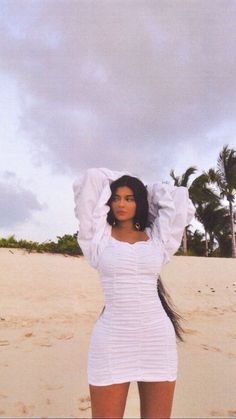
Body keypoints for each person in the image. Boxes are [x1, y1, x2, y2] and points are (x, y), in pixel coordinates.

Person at [73, 167, 195, 418]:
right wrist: (126, 178)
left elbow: (176, 197)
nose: (121, 203)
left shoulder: (157, 238)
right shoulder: (98, 237)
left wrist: (144, 188)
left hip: (156, 338)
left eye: (130, 198)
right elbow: (92, 179)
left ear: (140, 202)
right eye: (116, 197)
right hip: (111, 340)